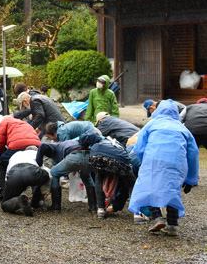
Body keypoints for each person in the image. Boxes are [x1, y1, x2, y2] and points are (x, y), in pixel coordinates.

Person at [129, 100, 199, 237]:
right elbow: (193, 153)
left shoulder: (151, 125)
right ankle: (172, 225)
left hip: (153, 160)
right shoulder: (183, 129)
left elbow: (138, 147)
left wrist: (145, 162)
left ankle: (157, 218)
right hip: (177, 163)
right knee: (172, 190)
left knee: (149, 188)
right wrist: (191, 178)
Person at [78, 132, 134, 218]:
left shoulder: (94, 146)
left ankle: (100, 209)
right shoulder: (113, 141)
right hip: (120, 160)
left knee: (99, 179)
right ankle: (138, 213)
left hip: (97, 157)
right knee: (130, 184)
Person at [35, 137, 94, 212]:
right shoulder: (64, 144)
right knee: (86, 176)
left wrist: (39, 163)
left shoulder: (57, 150)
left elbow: (42, 145)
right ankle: (93, 206)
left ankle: (56, 206)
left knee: (54, 173)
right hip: (88, 155)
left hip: (75, 154)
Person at [1, 148, 50, 216]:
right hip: (32, 171)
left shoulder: (15, 154)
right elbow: (43, 168)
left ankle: (18, 201)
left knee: (5, 204)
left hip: (14, 174)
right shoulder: (37, 153)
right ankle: (36, 201)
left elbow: (7, 177)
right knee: (45, 175)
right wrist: (46, 187)